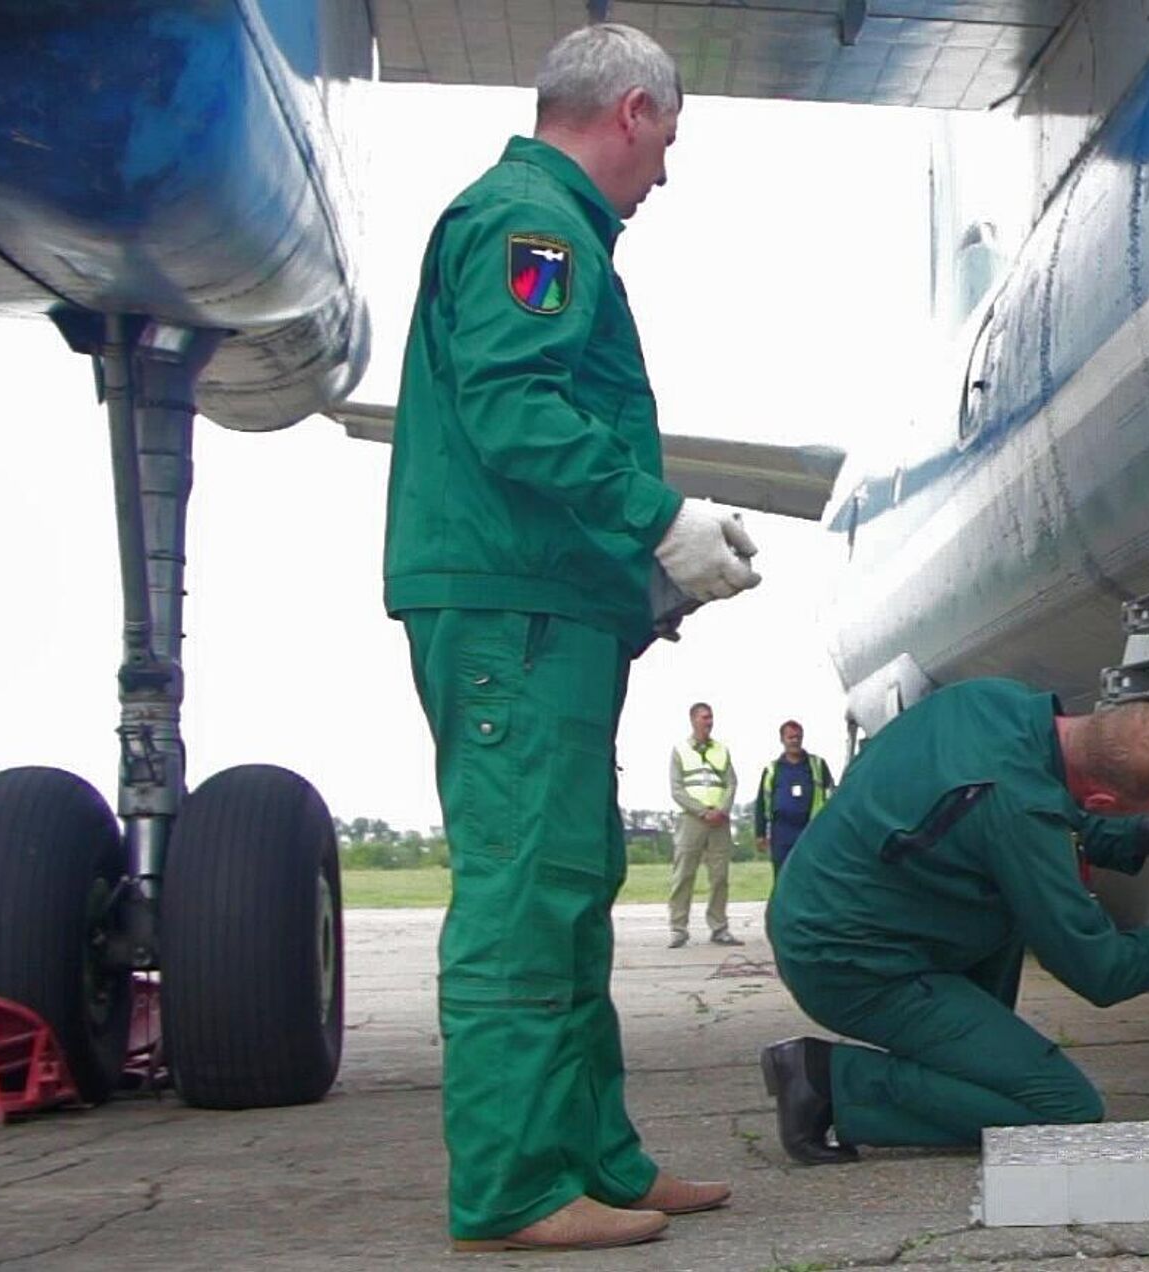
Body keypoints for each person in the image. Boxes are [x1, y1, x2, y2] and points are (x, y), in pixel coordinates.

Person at [383, 23, 762, 1254]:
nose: (665, 174)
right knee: (522, 899)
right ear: (635, 111)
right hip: (512, 612)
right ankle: (509, 1190)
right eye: (668, 143)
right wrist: (660, 519)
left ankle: (596, 1156)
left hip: (547, 603)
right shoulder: (528, 224)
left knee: (573, 887)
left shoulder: (548, 228)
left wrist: (640, 580)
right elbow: (514, 407)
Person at [757, 679, 1149, 1165]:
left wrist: (1138, 835)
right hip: (848, 963)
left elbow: (1013, 803)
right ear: (1104, 802)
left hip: (829, 907)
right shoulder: (1019, 810)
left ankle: (962, 1067)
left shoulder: (991, 701)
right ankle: (828, 1080)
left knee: (1009, 910)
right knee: (1063, 1106)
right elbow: (1100, 969)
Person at [667, 702, 740, 947]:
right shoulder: (680, 750)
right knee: (684, 875)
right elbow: (676, 789)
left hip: (719, 821)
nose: (708, 722)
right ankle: (678, 928)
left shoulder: (722, 750)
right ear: (693, 720)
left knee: (720, 876)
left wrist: (723, 809)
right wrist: (701, 811)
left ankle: (719, 927)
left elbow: (731, 782)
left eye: (711, 717)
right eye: (704, 717)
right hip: (692, 820)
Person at [753, 720, 836, 874]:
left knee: (811, 874)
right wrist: (760, 833)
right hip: (782, 831)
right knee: (783, 875)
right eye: (790, 737)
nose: (795, 741)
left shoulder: (817, 764)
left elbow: (831, 796)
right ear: (782, 740)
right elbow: (761, 803)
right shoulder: (772, 769)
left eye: (798, 737)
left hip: (810, 829)